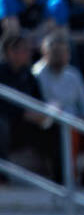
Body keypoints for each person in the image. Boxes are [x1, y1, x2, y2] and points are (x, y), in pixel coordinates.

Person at [33, 34, 84, 187]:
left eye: (63, 52)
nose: (60, 56)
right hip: (52, 129)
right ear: (45, 53)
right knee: (70, 130)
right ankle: (69, 176)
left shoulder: (73, 75)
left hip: (76, 123)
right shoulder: (36, 75)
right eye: (56, 52)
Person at [0, 30, 58, 177]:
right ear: (10, 52)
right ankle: (2, 176)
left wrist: (47, 111)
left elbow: (39, 100)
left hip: (25, 125)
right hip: (8, 125)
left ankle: (60, 179)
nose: (29, 53)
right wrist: (23, 114)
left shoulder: (27, 74)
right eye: (24, 50)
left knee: (57, 127)